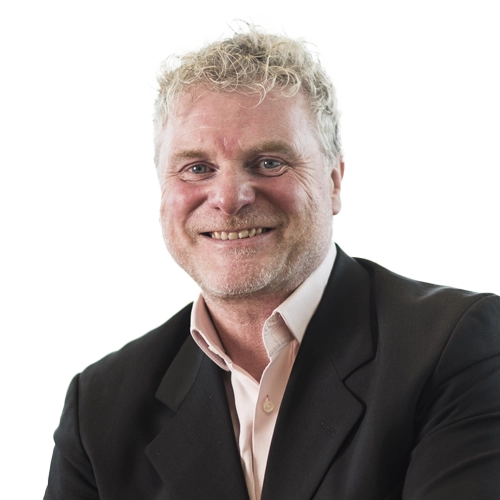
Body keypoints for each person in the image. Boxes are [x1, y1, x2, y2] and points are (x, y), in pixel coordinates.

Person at [43, 18, 500, 500]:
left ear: (334, 180)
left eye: (268, 163)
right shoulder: (100, 407)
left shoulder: (456, 346)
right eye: (197, 168)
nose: (228, 198)